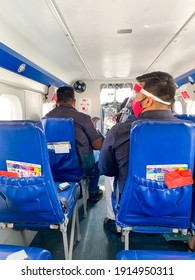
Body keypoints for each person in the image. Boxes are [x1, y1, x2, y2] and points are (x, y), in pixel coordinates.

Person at [98, 71, 177, 232]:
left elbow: (106, 169)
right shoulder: (191, 131)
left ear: (147, 101)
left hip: (133, 208)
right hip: (177, 207)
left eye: (135, 95)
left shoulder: (120, 130)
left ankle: (114, 220)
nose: (133, 100)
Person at [45, 86, 104, 202]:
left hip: (52, 164)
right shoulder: (83, 118)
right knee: (98, 156)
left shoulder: (45, 118)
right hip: (78, 166)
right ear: (74, 101)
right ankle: (93, 191)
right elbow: (98, 145)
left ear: (57, 101)